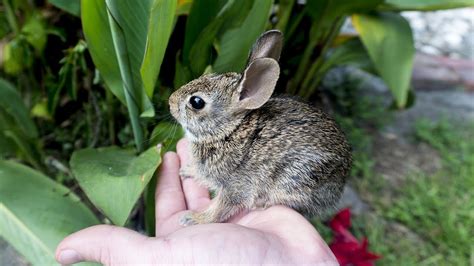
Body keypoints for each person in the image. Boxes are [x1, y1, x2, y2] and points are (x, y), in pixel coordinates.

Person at [55, 139, 338, 265]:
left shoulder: (233, 148)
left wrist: (206, 217)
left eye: (196, 104)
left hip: (297, 182)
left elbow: (235, 191)